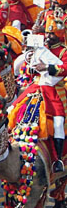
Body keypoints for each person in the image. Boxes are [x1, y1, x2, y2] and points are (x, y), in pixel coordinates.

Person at [22, 16, 67, 172]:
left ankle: (58, 160)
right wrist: (30, 61)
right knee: (14, 110)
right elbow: (29, 67)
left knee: (58, 123)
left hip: (55, 91)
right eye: (47, 34)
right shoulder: (41, 45)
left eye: (52, 34)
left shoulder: (63, 51)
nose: (48, 37)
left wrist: (47, 67)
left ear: (60, 34)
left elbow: (65, 68)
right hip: (37, 86)